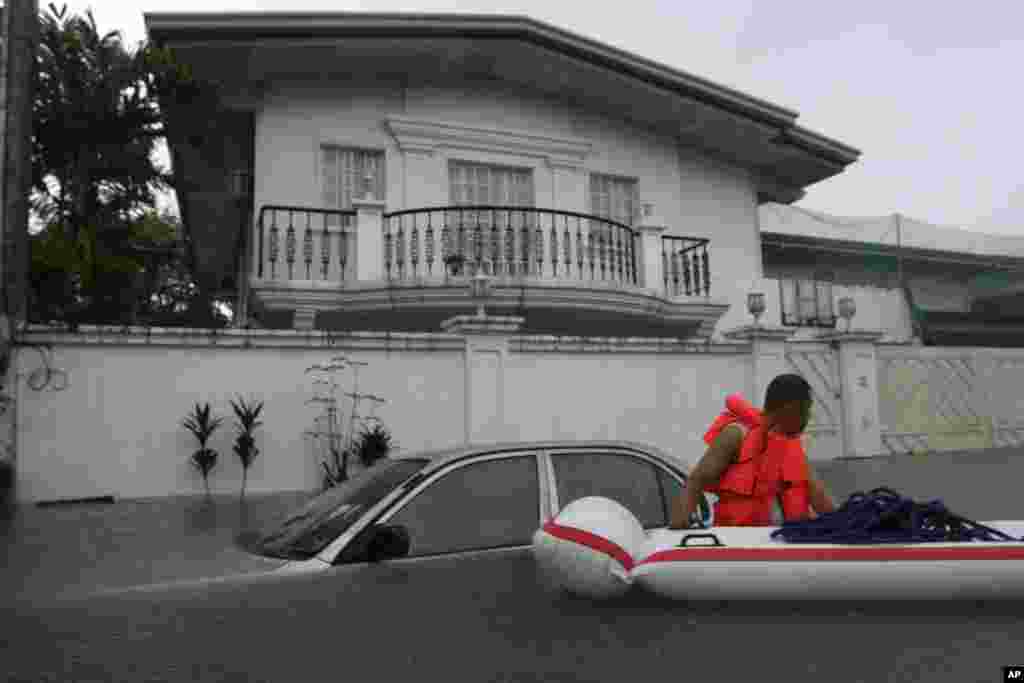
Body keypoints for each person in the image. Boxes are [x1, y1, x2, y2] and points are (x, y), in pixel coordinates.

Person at [670, 373, 836, 529]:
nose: (808, 418)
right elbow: (696, 480)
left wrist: (847, 525)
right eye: (805, 410)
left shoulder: (793, 447)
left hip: (785, 545)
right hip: (737, 544)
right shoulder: (736, 434)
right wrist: (680, 528)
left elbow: (819, 497)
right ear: (790, 408)